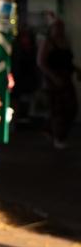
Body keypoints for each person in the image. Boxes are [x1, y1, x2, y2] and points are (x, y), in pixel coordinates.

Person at [37, 15, 78, 149]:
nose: (60, 30)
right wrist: (53, 77)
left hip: (66, 79)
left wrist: (76, 70)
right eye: (58, 27)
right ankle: (58, 137)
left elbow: (68, 62)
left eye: (62, 27)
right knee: (58, 109)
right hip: (53, 81)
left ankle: (50, 130)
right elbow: (41, 62)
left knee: (71, 107)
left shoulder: (64, 42)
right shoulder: (47, 42)